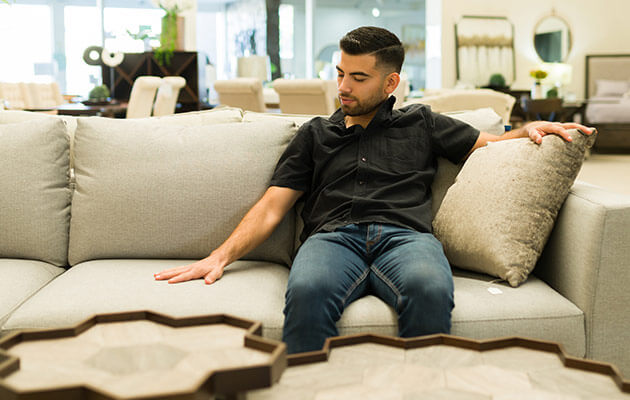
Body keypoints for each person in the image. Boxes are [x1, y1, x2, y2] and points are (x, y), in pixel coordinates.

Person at [155, 26, 593, 354]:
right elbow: (272, 207)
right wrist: (220, 255)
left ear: (390, 83)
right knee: (306, 293)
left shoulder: (421, 122)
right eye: (341, 73)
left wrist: (529, 129)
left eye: (358, 77)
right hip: (332, 238)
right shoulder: (314, 133)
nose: (343, 87)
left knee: (430, 289)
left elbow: (493, 146)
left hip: (406, 238)